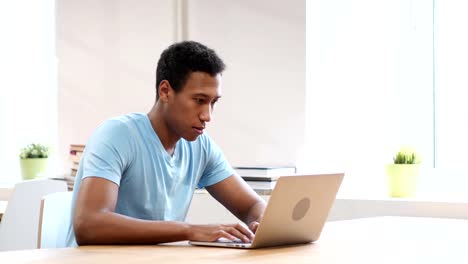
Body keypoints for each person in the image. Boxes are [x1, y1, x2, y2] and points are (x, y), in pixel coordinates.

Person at [65, 41, 266, 246]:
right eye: (199, 100)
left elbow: (251, 206)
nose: (207, 116)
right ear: (165, 91)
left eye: (213, 102)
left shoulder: (201, 146)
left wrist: (262, 224)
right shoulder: (116, 135)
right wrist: (190, 230)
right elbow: (89, 225)